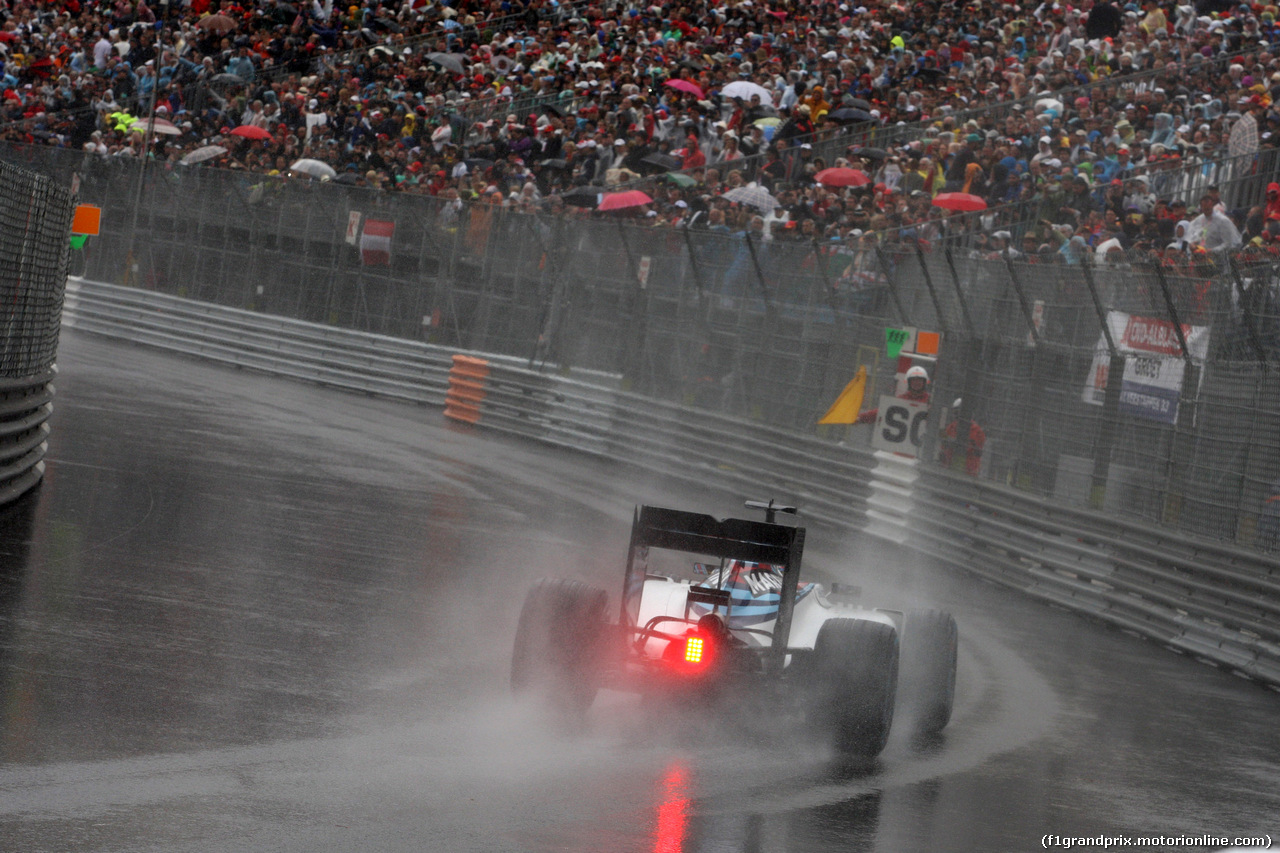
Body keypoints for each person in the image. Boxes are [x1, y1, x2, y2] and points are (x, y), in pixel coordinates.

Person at [856, 365, 930, 423]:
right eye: (914, 380)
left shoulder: (929, 401)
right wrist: (860, 418)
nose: (916, 383)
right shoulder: (902, 399)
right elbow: (882, 411)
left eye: (919, 380)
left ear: (924, 382)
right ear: (909, 382)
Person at [940, 398, 986, 476]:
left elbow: (977, 451)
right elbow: (943, 446)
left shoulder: (977, 431)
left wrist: (955, 443)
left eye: (958, 412)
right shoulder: (951, 427)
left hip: (968, 472)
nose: (956, 415)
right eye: (955, 412)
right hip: (949, 468)